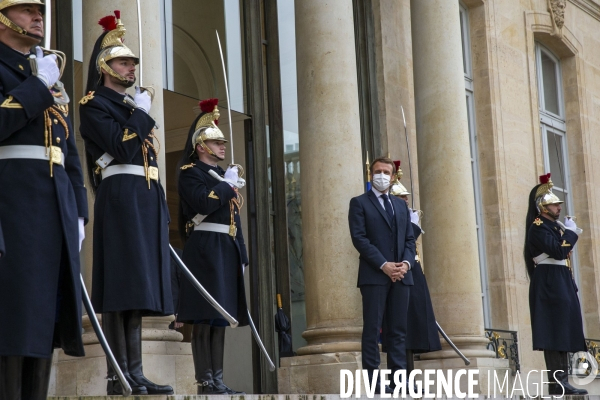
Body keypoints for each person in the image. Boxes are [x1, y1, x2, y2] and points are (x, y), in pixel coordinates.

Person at [78, 11, 173, 396]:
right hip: (120, 198)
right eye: (122, 61)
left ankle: (135, 371)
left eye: (133, 62)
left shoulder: (132, 106)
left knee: (136, 287)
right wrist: (141, 114)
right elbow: (121, 146)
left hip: (145, 199)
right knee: (121, 287)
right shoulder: (94, 104)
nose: (130, 67)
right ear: (104, 65)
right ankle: (118, 374)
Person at [0, 1, 88, 398]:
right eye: (26, 10)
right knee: (15, 313)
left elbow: (66, 150)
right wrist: (37, 86)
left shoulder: (45, 73)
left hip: (54, 204)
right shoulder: (29, 76)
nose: (38, 17)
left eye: (40, 11)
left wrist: (79, 212)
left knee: (45, 317)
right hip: (13, 200)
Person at [176, 98, 248, 394]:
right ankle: (205, 380)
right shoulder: (189, 172)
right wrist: (226, 185)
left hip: (225, 246)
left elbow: (235, 219)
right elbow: (203, 203)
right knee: (204, 315)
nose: (222, 147)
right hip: (204, 245)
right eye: (216, 142)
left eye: (222, 142)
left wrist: (241, 253)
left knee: (221, 316)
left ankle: (218, 378)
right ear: (202, 145)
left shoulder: (221, 176)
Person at [348, 156, 415, 392]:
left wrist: (405, 264)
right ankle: (374, 383)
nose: (382, 176)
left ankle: (399, 382)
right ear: (371, 174)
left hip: (402, 276)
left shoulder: (400, 206)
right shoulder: (359, 203)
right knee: (372, 329)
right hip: (374, 275)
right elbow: (360, 239)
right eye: (378, 171)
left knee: (398, 331)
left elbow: (409, 239)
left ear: (394, 176)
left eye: (387, 172)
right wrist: (384, 265)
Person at [524, 173, 587, 395]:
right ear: (543, 206)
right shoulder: (538, 227)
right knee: (554, 330)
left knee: (565, 328)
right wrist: (570, 232)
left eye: (558, 204)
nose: (558, 208)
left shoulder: (553, 227)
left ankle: (564, 380)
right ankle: (557, 382)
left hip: (559, 278)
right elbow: (559, 250)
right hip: (549, 281)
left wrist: (566, 232)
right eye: (554, 205)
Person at [388, 161, 441, 377]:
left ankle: (409, 373)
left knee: (414, 323)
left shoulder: (411, 216)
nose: (407, 200)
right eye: (402, 197)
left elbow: (411, 236)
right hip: (392, 272)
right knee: (399, 327)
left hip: (411, 270)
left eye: (406, 197)